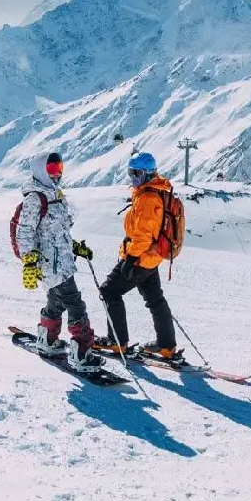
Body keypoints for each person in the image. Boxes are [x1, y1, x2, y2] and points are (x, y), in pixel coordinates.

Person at [14, 151, 104, 372]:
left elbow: (58, 231)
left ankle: (47, 339)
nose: (57, 174)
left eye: (59, 169)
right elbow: (24, 232)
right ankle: (82, 353)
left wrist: (74, 246)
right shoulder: (35, 198)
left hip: (62, 261)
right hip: (49, 264)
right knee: (75, 305)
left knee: (56, 301)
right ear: (40, 170)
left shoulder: (56, 194)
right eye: (52, 169)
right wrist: (29, 261)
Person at [94, 152, 181, 362]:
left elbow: (142, 235)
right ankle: (166, 345)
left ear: (149, 174)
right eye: (131, 173)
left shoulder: (148, 198)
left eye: (138, 173)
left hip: (140, 257)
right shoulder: (154, 192)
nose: (133, 178)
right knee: (155, 299)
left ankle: (117, 341)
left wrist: (130, 260)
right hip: (151, 258)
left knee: (109, 291)